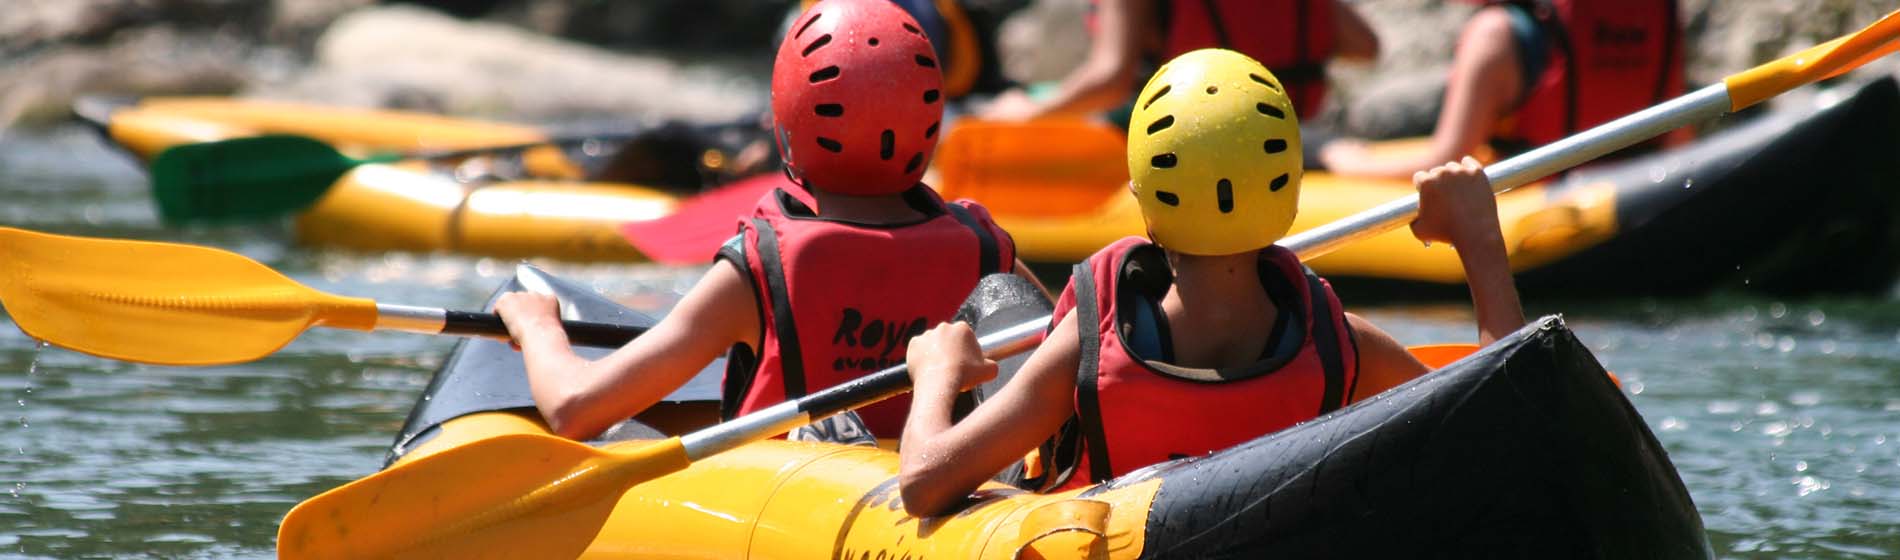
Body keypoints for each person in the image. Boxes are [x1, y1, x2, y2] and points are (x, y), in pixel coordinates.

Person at [896, 49, 1525, 516]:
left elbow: (924, 484)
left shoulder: (1089, 347)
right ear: (1287, 195)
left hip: (1094, 525)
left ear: (1145, 205)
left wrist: (935, 376)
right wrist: (1479, 243)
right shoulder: (1341, 347)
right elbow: (1505, 437)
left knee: (1000, 299)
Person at [496, 0, 1042, 442]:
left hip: (789, 510)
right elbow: (1069, 350)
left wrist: (538, 325)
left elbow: (573, 410)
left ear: (787, 123)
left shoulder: (761, 267)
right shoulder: (989, 254)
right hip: (950, 502)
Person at [1319, 0, 1682, 178]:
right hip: (1639, 183)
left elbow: (1443, 164)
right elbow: (1679, 138)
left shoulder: (1494, 35)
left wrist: (1347, 162)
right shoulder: (1654, 10)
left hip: (1548, 204)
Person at [980, 0, 1380, 122]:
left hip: (1196, 129)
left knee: (1083, 114)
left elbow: (1111, 78)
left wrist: (1031, 112)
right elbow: (1365, 46)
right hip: (1291, 125)